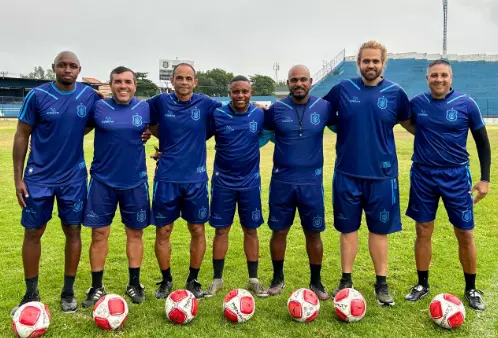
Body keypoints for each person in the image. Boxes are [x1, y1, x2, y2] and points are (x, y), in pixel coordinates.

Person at [323, 40, 412, 306]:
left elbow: (411, 124)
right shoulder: (343, 89)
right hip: (347, 173)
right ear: (358, 63)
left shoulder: (396, 93)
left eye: (375, 61)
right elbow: (324, 115)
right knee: (348, 229)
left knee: (379, 231)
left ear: (383, 63)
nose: (370, 65)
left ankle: (381, 283)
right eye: (366, 61)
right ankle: (346, 279)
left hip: (383, 176)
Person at [12, 51, 100, 314]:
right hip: (38, 177)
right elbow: (21, 135)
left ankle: (68, 292)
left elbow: (102, 121)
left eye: (72, 66)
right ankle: (31, 292)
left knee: (73, 230)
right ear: (54, 68)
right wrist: (18, 178)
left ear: (79, 69)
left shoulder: (88, 95)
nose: (67, 70)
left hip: (73, 178)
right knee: (33, 232)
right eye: (62, 65)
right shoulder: (37, 96)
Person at [404, 59, 490, 311]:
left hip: (456, 176)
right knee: (423, 230)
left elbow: (483, 143)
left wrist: (484, 179)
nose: (438, 79)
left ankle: (471, 288)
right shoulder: (417, 103)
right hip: (423, 175)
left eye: (443, 75)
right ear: (427, 78)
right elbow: (407, 122)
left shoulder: (467, 104)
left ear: (451, 77)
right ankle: (422, 284)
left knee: (464, 233)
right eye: (434, 75)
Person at [147, 63, 222, 299]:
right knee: (164, 230)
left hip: (196, 179)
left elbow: (233, 110)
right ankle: (166, 280)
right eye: (180, 78)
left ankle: (193, 279)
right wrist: (149, 133)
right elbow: (136, 115)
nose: (184, 82)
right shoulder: (159, 102)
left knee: (197, 229)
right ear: (172, 81)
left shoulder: (206, 103)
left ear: (195, 81)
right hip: (167, 177)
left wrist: (259, 108)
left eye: (189, 78)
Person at [264, 65, 337, 301]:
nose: (299, 84)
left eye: (303, 79)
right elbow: (256, 134)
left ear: (311, 81)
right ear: (288, 83)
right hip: (282, 182)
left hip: (312, 183)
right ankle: (277, 278)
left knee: (314, 233)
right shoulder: (275, 110)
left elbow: (346, 130)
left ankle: (316, 281)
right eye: (294, 80)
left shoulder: (324, 107)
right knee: (278, 231)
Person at [81, 66, 151, 307]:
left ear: (135, 85)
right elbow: (73, 128)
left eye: (128, 81)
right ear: (110, 85)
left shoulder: (145, 107)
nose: (123, 86)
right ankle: (96, 286)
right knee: (99, 234)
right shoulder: (98, 107)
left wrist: (151, 135)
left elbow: (163, 131)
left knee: (135, 233)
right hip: (103, 182)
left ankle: (134, 283)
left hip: (135, 182)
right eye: (118, 81)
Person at [203, 75, 269, 298]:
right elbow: (195, 135)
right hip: (223, 182)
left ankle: (254, 279)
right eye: (236, 92)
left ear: (251, 92)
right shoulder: (218, 114)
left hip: (250, 182)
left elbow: (274, 131)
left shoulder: (260, 114)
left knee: (251, 229)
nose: (240, 96)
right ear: (229, 93)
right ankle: (217, 280)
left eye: (245, 91)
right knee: (221, 230)